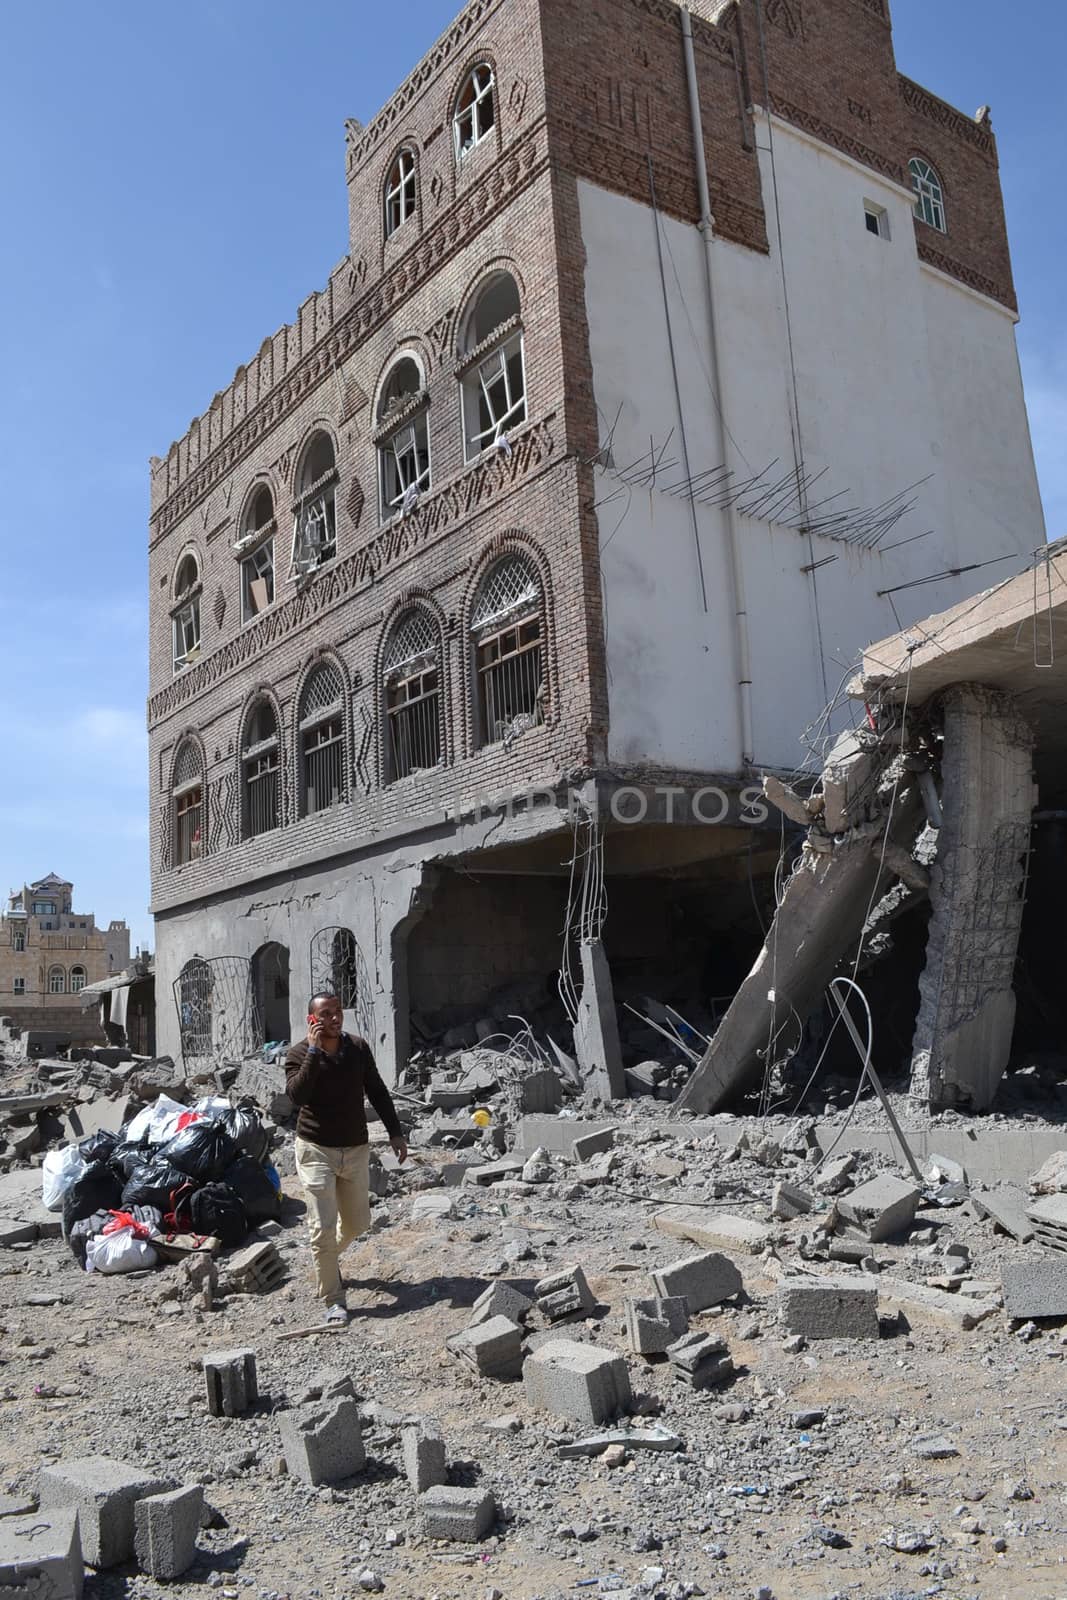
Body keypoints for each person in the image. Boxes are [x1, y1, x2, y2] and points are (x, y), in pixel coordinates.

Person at [285, 993, 407, 1324]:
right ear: (312, 1019)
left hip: (354, 1149)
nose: (334, 1018)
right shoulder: (297, 1054)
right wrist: (313, 1052)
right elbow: (297, 1095)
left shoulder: (357, 1048)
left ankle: (325, 1260)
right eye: (325, 1014)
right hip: (315, 1151)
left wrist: (395, 1132)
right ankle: (334, 1300)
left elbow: (378, 1090)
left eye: (338, 1012)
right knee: (321, 1227)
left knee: (357, 1224)